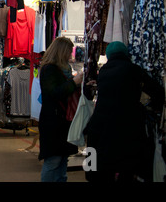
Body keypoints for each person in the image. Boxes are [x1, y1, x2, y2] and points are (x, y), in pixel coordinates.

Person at [84, 41, 164, 183]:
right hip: (127, 126)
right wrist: (148, 106)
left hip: (100, 126)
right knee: (126, 169)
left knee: (99, 166)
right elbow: (157, 91)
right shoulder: (133, 69)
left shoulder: (103, 72)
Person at [38, 36, 83, 182]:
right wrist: (74, 83)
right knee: (54, 161)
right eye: (69, 51)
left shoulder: (62, 69)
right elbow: (54, 93)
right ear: (62, 51)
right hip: (53, 122)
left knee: (62, 161)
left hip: (62, 121)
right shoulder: (49, 69)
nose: (71, 54)